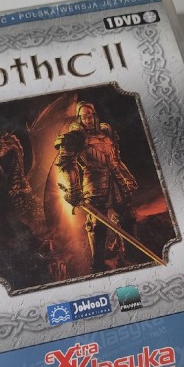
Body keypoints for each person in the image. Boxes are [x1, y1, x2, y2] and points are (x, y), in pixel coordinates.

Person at [54, 101, 138, 272]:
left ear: (95, 116)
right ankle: (98, 264)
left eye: (90, 115)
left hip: (117, 180)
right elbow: (67, 163)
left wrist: (128, 177)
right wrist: (74, 189)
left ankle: (132, 255)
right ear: (79, 118)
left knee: (128, 216)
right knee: (98, 225)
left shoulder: (107, 132)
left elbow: (116, 160)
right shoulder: (75, 136)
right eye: (84, 116)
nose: (88, 119)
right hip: (94, 183)